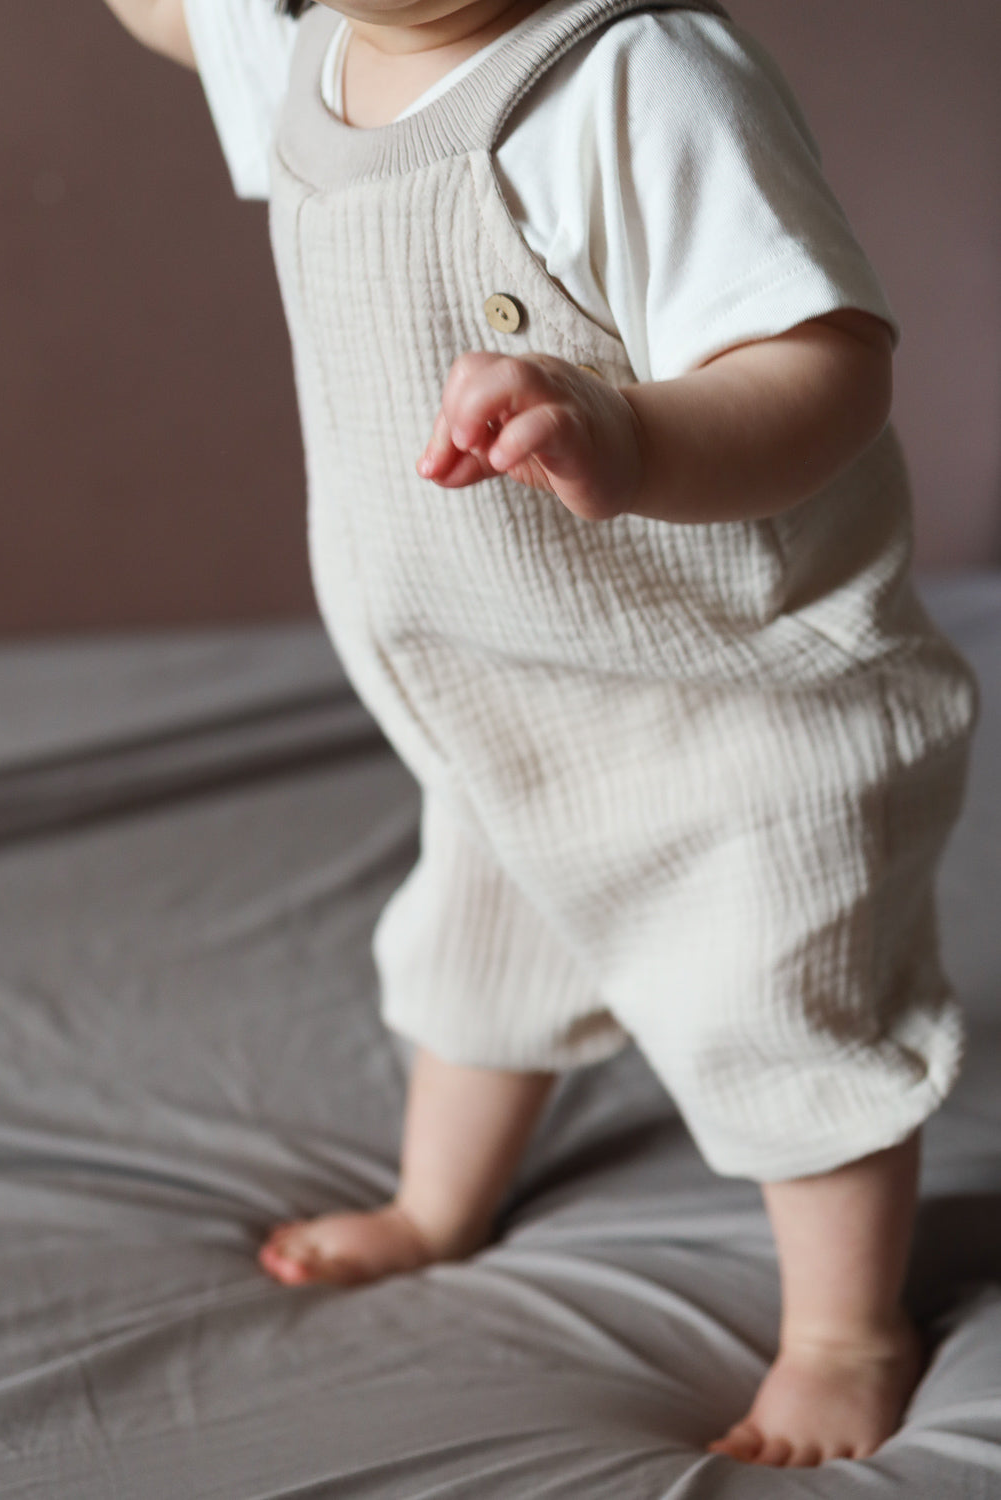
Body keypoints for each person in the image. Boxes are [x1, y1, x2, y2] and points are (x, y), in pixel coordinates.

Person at [101, 0, 978, 1467]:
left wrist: (632, 435)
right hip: (502, 681)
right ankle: (440, 1203)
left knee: (787, 1002)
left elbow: (824, 362)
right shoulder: (318, 48)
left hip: (730, 693)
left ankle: (843, 1330)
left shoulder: (632, 75)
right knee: (475, 956)